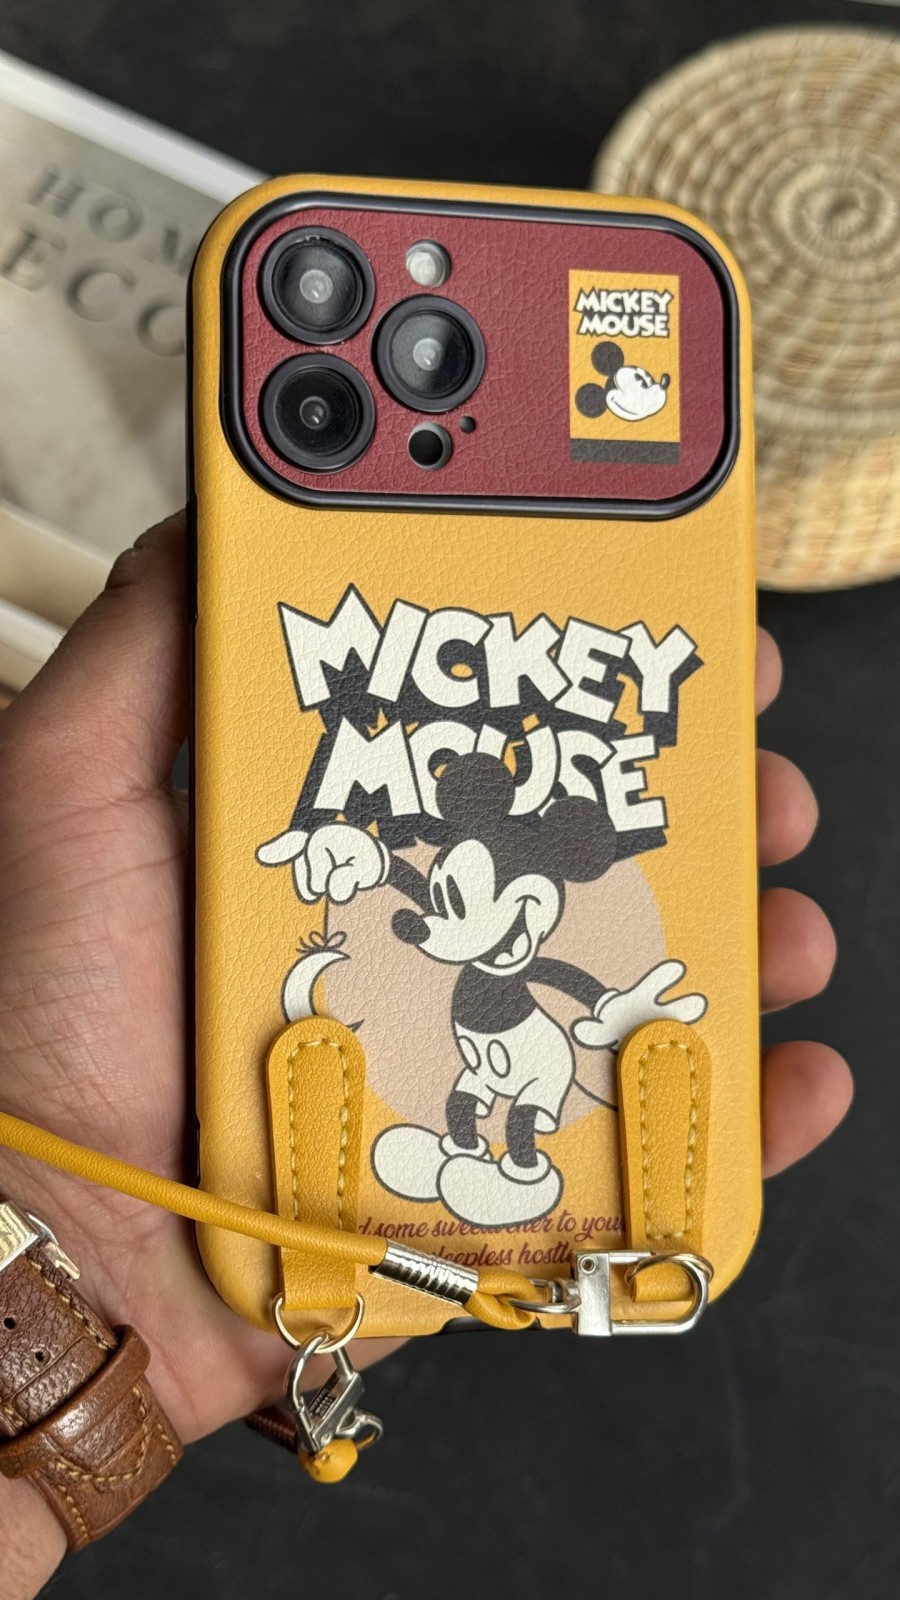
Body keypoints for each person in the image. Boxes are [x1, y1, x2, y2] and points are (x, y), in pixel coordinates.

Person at [0, 513, 852, 1596]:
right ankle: (475, 1150)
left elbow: (553, 977)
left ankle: (513, 1152)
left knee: (522, 1099)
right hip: (298, 1233)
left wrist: (615, 1008)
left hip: (508, 1089)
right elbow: (415, 890)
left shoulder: (528, 935)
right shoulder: (442, 896)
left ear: (531, 904)